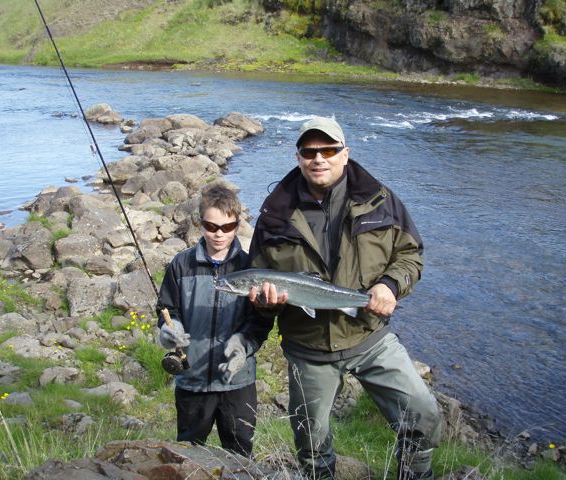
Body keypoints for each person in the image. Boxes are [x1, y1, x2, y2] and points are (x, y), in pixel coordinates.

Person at [247, 117, 442, 479]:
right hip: (308, 349)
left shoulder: (381, 201)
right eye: (309, 151)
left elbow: (411, 255)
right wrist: (263, 303)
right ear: (299, 157)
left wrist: (390, 285)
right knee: (311, 442)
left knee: (423, 416)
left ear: (345, 153)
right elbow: (258, 275)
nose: (319, 158)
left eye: (329, 150)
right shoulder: (274, 215)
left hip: (370, 338)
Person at [156, 181, 271, 457]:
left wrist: (243, 345)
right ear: (200, 223)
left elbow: (262, 321)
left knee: (241, 456)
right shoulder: (181, 264)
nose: (219, 234)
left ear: (237, 224)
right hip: (191, 381)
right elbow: (167, 310)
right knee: (189, 455)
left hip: (237, 382)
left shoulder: (250, 268)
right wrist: (171, 330)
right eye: (211, 226)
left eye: (228, 227)